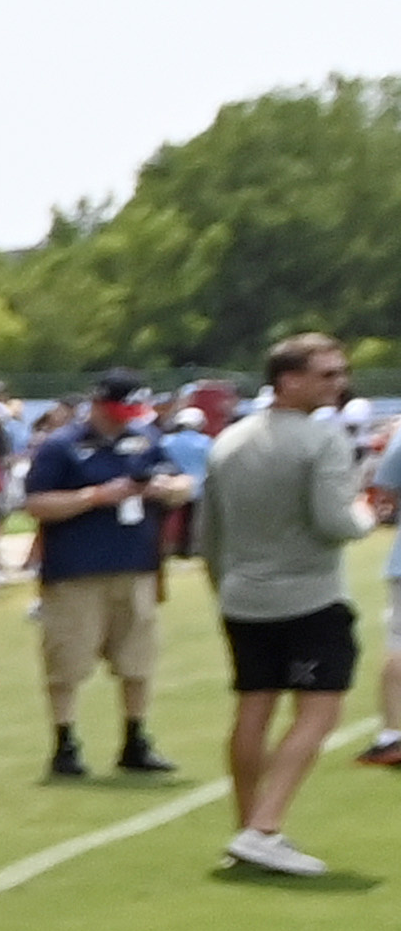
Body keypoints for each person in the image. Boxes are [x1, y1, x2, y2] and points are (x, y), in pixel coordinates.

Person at [197, 332, 362, 876]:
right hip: (310, 595)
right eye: (326, 375)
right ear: (289, 381)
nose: (338, 384)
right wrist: (362, 518)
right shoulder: (322, 441)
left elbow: (209, 536)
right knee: (319, 710)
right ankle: (265, 826)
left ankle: (247, 827)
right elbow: (333, 520)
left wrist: (228, 585)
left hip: (244, 596)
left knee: (253, 705)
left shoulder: (229, 441)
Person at [22, 373, 186, 781]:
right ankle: (64, 742)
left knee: (137, 658)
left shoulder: (144, 439)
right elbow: (37, 503)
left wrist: (166, 488)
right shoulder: (62, 447)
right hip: (76, 570)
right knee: (67, 659)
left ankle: (135, 737)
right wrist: (95, 496)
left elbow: (183, 483)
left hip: (135, 565)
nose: (123, 421)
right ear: (97, 404)